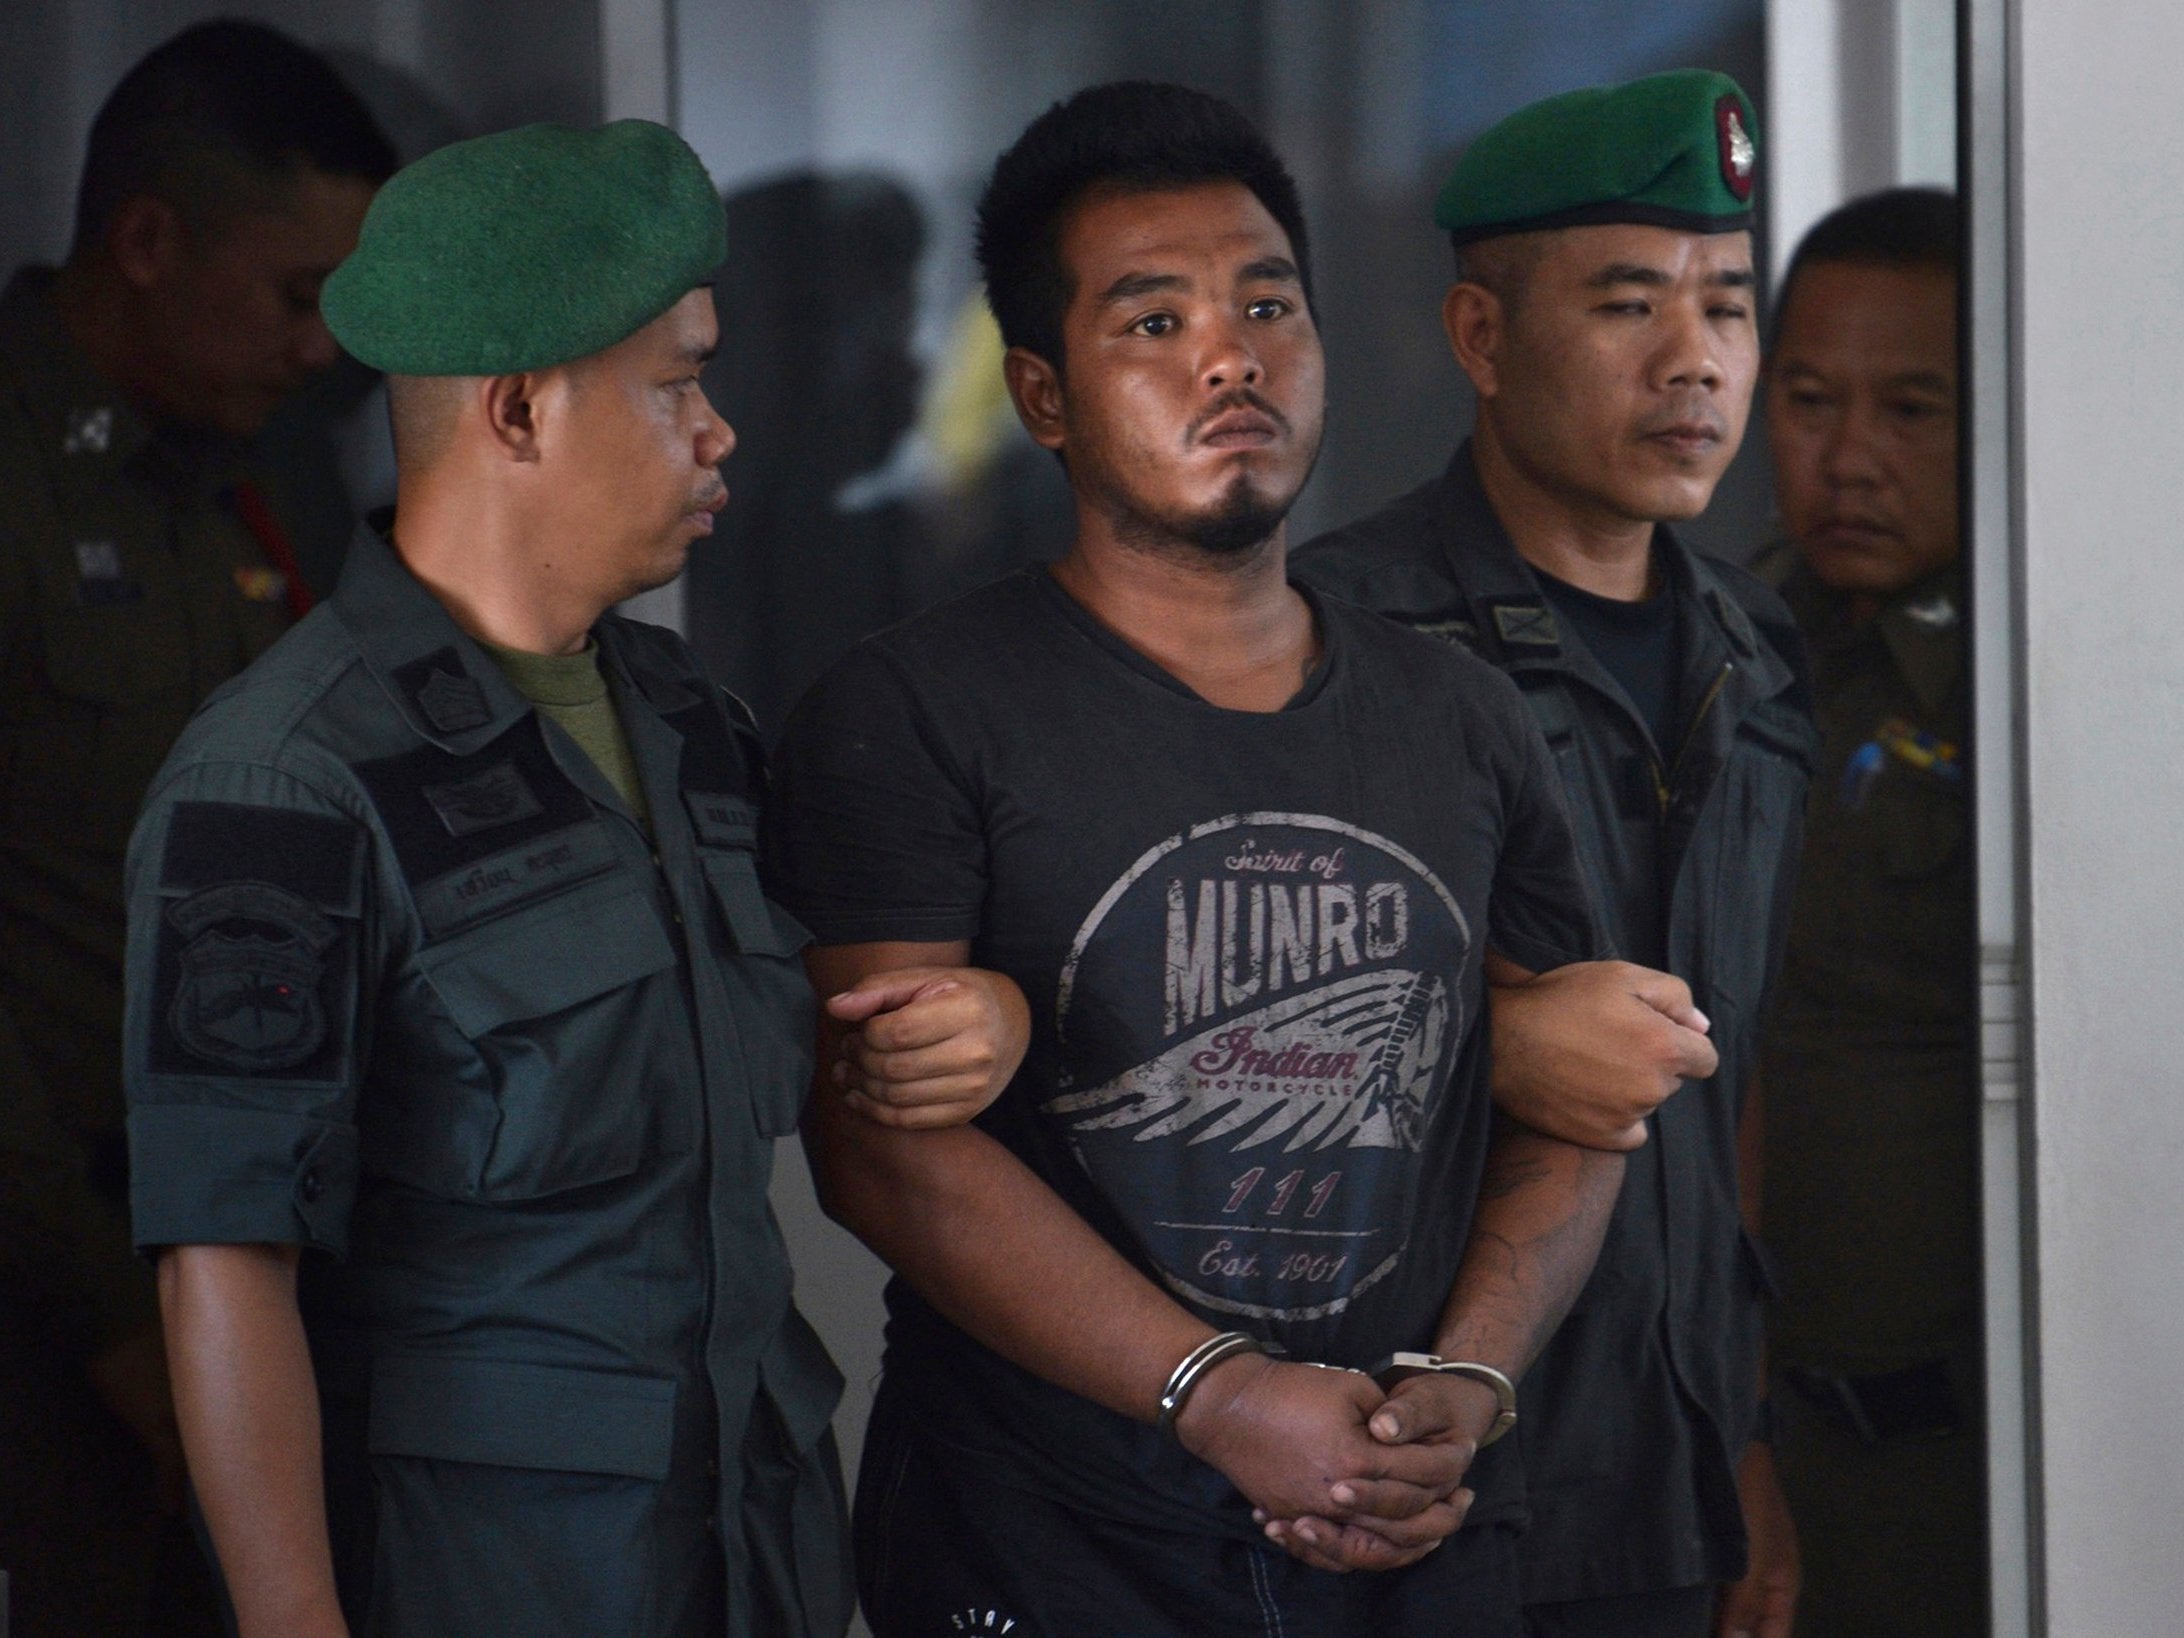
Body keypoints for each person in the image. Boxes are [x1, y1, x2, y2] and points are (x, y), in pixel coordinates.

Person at [765, 80, 1666, 1638]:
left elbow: (1576, 1101)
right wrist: (1220, 1395)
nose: (1231, 355)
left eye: (1268, 304)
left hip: (1409, 1527)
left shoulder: (1463, 717)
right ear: (1042, 398)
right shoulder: (909, 710)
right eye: (1153, 322)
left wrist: (1471, 1376)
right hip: (1057, 1547)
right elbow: (883, 1151)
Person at [122, 119, 1028, 1637]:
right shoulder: (282, 777)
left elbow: (799, 1044)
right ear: (523, 409)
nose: (719, 427)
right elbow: (225, 1263)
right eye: (677, 381)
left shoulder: (690, 723)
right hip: (494, 1568)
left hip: (754, 1541)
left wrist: (981, 1014)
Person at [1295, 71, 1817, 1638]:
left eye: (1728, 306)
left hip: (1662, 1480)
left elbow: (1733, 1105)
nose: (1696, 361)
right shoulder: (1338, 640)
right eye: (1628, 304)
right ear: (1480, 338)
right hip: (1390, 1472)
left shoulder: (1759, 660)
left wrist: (1744, 1441)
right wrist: (1496, 1047)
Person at [0, 22, 393, 1634]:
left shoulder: (285, 467)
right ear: (147, 242)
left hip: (290, 1240)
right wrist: (109, 1310)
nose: (324, 350)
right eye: (298, 297)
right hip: (54, 1275)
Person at [1753, 187, 1979, 1638]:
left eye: (1911, 409)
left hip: (1982, 1454)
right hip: (1756, 1440)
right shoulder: (1727, 658)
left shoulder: (2044, 686)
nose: (1848, 461)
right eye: (1811, 399)